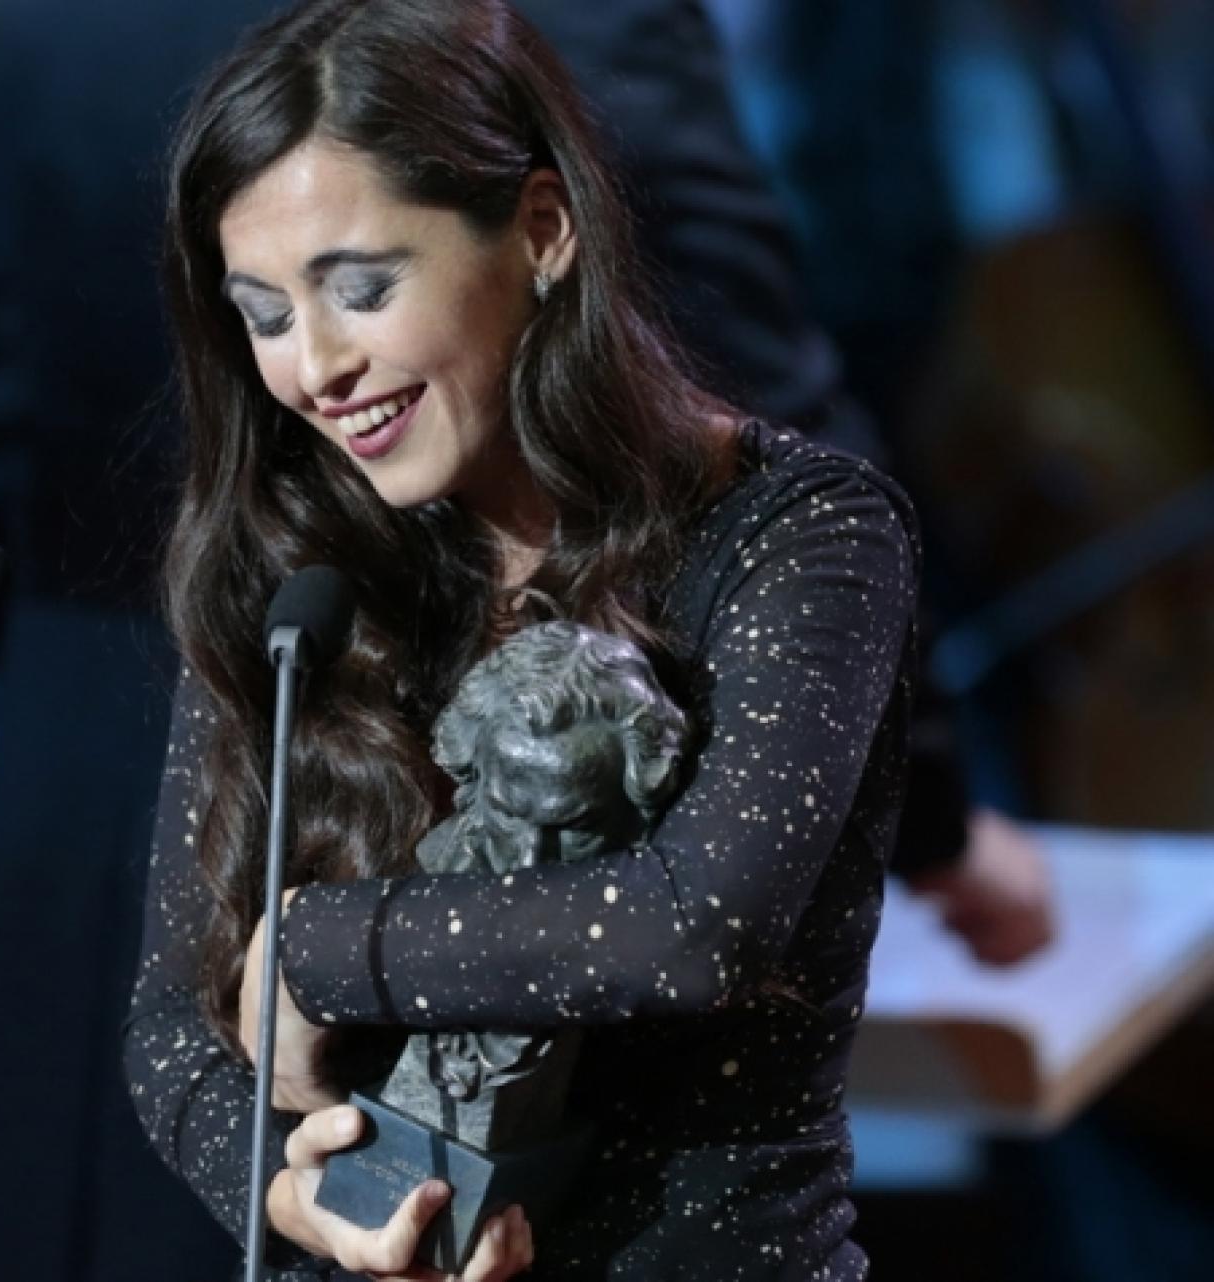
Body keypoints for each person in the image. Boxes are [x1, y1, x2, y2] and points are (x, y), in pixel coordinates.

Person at [124, 1, 920, 1279]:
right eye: (264, 315)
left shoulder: (799, 530)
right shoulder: (294, 573)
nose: (314, 365)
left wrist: (316, 947)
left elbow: (688, 927)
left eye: (360, 289)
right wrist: (293, 1190)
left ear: (541, 230)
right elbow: (169, 1025)